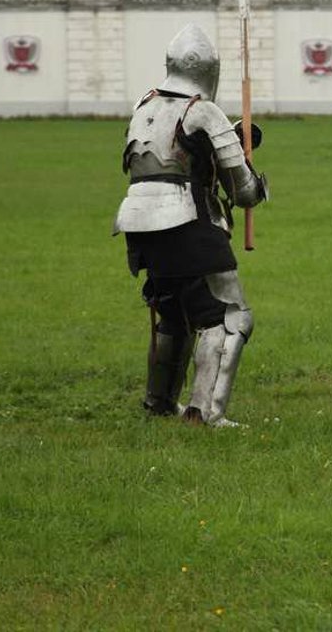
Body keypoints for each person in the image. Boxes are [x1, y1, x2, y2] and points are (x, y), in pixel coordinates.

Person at [113, 24, 269, 427]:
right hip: (189, 221)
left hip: (139, 220)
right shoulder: (202, 110)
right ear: (209, 72)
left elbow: (164, 160)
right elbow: (244, 191)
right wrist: (255, 172)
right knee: (230, 316)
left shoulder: (143, 105)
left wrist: (231, 139)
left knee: (174, 315)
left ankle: (160, 403)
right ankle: (206, 414)